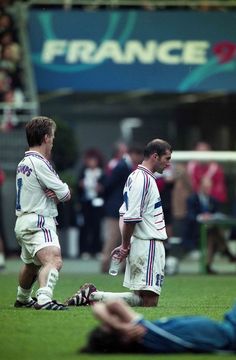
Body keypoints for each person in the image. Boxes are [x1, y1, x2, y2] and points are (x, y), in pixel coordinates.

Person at [65, 138, 172, 307]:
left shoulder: (135, 177)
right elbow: (130, 218)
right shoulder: (143, 179)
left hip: (142, 243)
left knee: (143, 298)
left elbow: (123, 214)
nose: (168, 164)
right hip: (148, 244)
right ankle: (92, 295)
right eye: (167, 158)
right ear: (155, 156)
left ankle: (92, 295)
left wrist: (126, 244)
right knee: (149, 301)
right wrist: (124, 245)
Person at [14, 116, 71, 310]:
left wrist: (53, 192)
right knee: (53, 259)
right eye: (52, 136)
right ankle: (45, 299)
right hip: (39, 220)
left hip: (23, 221)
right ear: (46, 137)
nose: (53, 140)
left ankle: (22, 298)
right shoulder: (40, 162)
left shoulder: (23, 161)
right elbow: (65, 193)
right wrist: (59, 191)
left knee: (31, 265)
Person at [80, 298, 236, 354]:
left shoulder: (145, 334)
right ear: (123, 339)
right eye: (110, 327)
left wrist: (116, 326)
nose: (117, 322)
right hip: (231, 335)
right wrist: (119, 326)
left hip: (228, 325)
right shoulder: (145, 335)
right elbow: (114, 305)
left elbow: (100, 307)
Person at [101, 144, 144, 273]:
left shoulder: (128, 166)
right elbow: (108, 185)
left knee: (124, 239)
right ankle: (105, 266)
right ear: (133, 154)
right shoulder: (121, 166)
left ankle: (123, 268)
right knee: (113, 238)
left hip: (125, 209)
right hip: (115, 209)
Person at [183, 177, 236, 274]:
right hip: (196, 232)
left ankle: (208, 266)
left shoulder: (213, 200)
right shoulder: (192, 199)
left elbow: (216, 215)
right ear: (200, 187)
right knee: (214, 234)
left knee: (212, 235)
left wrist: (211, 217)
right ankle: (227, 252)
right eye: (206, 187)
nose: (208, 190)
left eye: (209, 187)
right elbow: (190, 216)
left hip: (210, 231)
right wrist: (201, 217)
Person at [76, 148, 105, 259]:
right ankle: (84, 250)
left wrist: (101, 188)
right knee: (84, 228)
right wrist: (80, 186)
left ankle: (97, 250)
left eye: (94, 160)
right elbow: (78, 188)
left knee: (97, 227)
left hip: (97, 204)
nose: (92, 162)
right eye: (90, 160)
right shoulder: (83, 172)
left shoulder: (101, 172)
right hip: (85, 203)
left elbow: (105, 188)